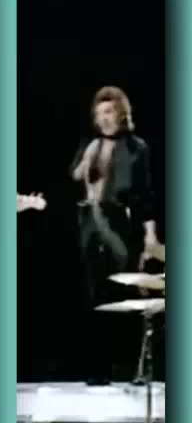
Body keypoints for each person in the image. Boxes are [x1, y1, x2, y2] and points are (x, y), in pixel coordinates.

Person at [68, 86, 162, 384]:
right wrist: (88, 157)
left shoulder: (137, 148)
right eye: (99, 114)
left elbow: (145, 196)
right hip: (89, 224)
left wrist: (150, 237)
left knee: (123, 292)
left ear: (121, 113)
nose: (104, 118)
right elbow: (74, 176)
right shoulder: (90, 144)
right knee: (93, 295)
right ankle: (97, 369)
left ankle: (130, 367)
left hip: (121, 224)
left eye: (109, 112)